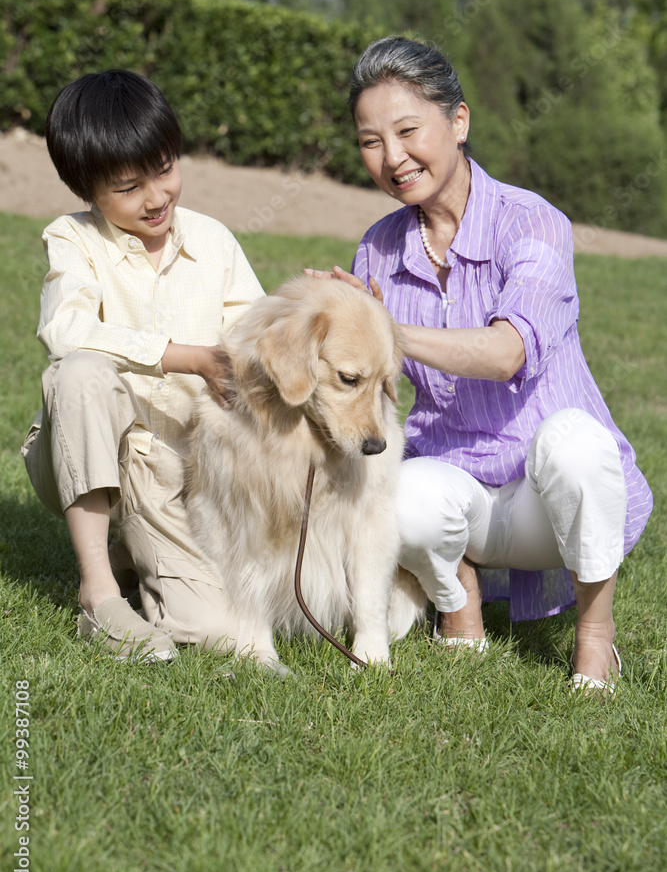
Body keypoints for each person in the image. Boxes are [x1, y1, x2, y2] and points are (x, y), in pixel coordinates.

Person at [329, 35, 653, 693]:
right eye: (370, 141)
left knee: (577, 445)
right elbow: (375, 391)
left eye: (407, 131)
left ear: (458, 121)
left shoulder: (531, 223)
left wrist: (387, 328)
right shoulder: (378, 250)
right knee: (392, 491)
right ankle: (460, 600)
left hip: (549, 502)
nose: (392, 158)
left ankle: (595, 640)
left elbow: (507, 352)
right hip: (459, 488)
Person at [21, 69, 264, 661]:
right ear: (87, 189)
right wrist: (188, 358)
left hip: (179, 474)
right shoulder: (73, 240)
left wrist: (319, 320)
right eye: (129, 187)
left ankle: (143, 561)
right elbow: (66, 330)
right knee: (80, 370)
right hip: (87, 449)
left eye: (164, 169)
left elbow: (253, 342)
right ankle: (99, 593)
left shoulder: (214, 242)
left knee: (226, 636)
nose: (156, 197)